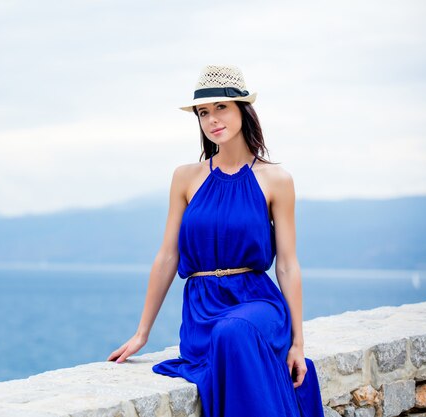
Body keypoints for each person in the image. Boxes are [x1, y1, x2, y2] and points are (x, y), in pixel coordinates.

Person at [107, 65, 325, 416]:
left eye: (221, 107)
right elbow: (167, 257)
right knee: (227, 332)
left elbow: (286, 263)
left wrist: (298, 343)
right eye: (203, 112)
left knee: (234, 332)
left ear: (243, 110)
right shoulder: (185, 178)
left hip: (257, 303)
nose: (212, 119)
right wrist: (141, 333)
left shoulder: (276, 179)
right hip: (203, 311)